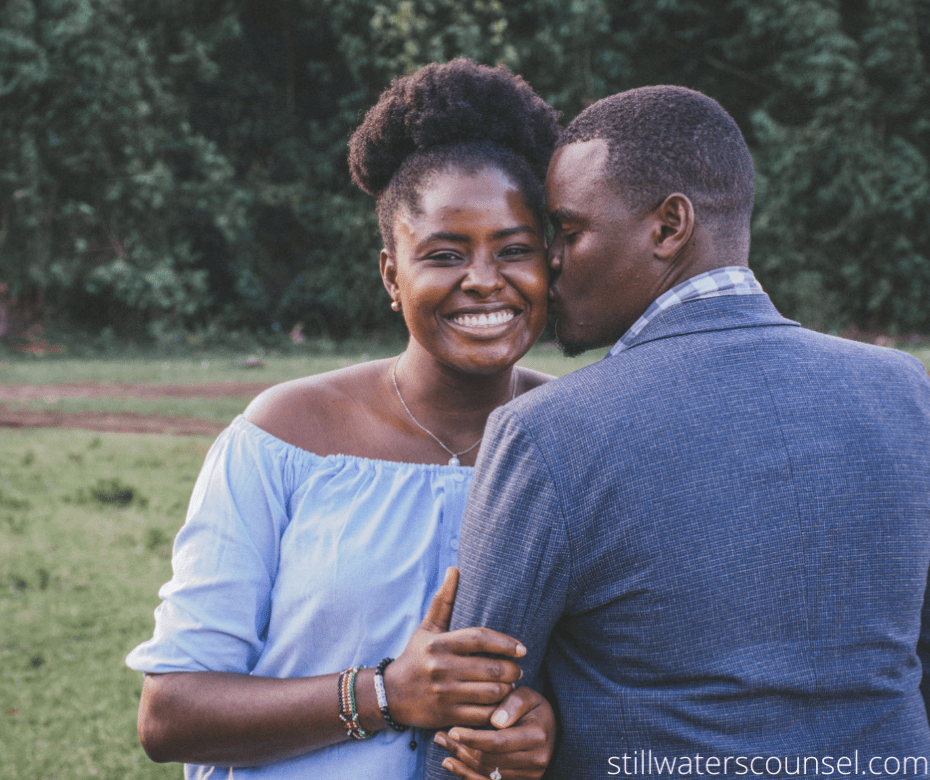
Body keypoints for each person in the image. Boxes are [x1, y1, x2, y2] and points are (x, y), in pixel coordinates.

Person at [426, 85, 930, 779]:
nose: (551, 262)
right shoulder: (905, 390)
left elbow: (475, 724)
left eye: (569, 233)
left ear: (669, 227)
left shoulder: (549, 433)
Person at [126, 58, 561, 780]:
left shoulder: (572, 440)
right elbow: (171, 713)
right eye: (445, 254)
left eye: (514, 250)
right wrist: (386, 695)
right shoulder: (286, 436)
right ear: (392, 273)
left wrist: (544, 730)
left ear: (551, 262)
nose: (485, 279)